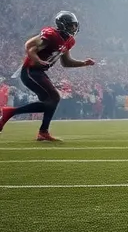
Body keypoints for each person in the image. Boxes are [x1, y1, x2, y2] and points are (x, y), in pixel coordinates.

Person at [0, 11, 95, 141]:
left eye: (75, 25)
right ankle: (19, 118)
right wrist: (38, 60)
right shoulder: (52, 35)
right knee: (54, 97)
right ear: (63, 25)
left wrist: (84, 63)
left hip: (39, 72)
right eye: (71, 25)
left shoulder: (69, 41)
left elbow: (66, 62)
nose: (74, 28)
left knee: (51, 101)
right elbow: (30, 48)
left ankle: (35, 127)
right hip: (30, 71)